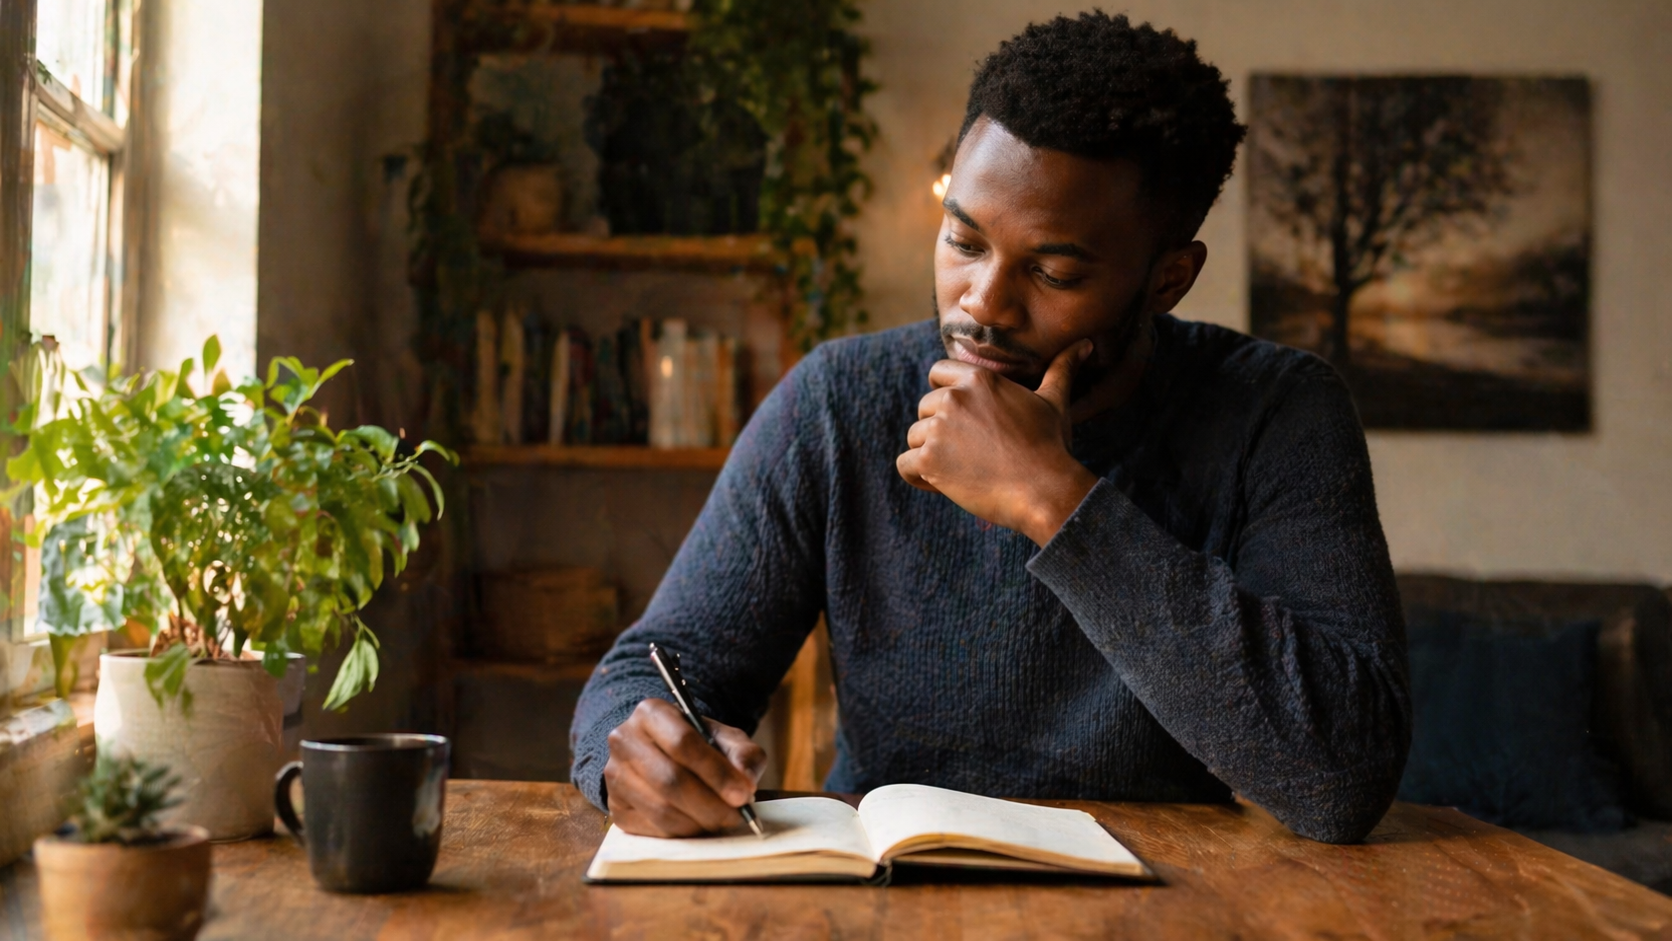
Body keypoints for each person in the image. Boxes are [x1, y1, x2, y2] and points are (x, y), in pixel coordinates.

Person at [570, 11, 1409, 845]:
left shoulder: (1278, 412)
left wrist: (1055, 499)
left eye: (1052, 271)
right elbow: (647, 671)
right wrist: (636, 759)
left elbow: (1341, 776)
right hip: (884, 895)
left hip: (1162, 906)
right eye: (963, 242)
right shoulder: (840, 401)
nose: (983, 304)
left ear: (1168, 279)